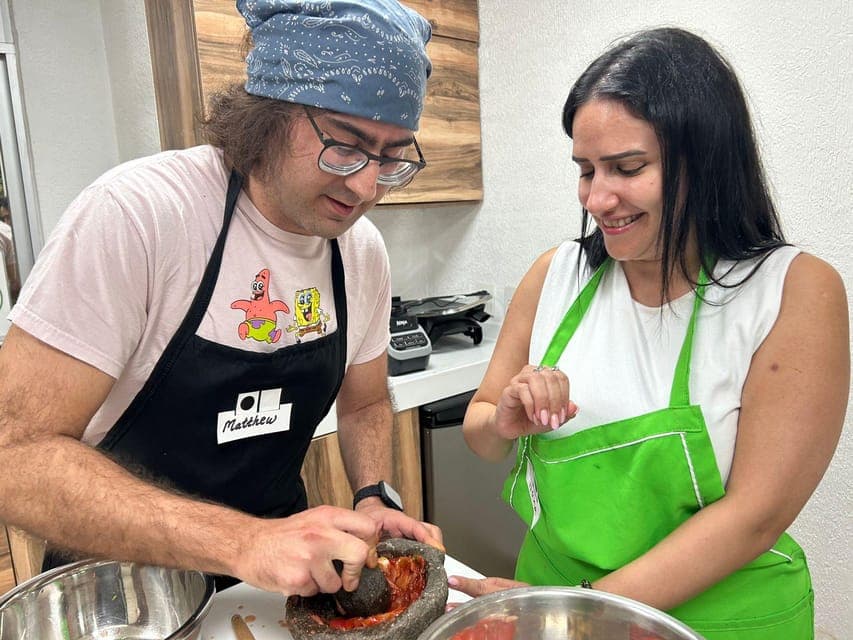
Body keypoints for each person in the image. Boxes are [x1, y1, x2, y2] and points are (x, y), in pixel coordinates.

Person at [0, 0, 442, 596]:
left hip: (278, 588)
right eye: (346, 144)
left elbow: (363, 404)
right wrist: (244, 543)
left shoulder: (360, 252)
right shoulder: (142, 216)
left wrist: (371, 496)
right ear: (270, 113)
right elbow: (15, 457)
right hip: (123, 597)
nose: (366, 186)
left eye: (392, 156)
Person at [452, 27, 848, 639]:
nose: (597, 198)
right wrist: (501, 422)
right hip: (557, 592)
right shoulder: (555, 275)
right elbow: (481, 433)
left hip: (719, 616)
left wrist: (579, 611)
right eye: (585, 170)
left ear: (707, 162)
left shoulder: (792, 291)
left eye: (627, 167)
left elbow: (755, 516)